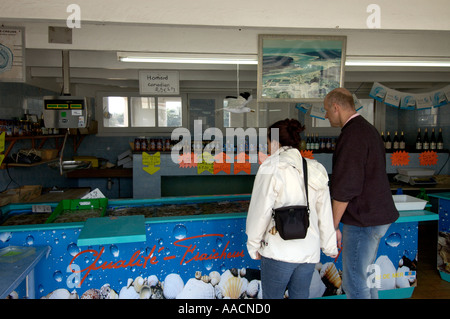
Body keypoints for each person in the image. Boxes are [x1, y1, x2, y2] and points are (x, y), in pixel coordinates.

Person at [246, 118, 338, 299]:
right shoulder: (316, 168)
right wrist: (329, 247)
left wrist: (253, 245)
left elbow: (260, 211)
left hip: (279, 250)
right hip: (308, 252)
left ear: (274, 142)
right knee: (300, 295)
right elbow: (324, 214)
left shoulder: (271, 167)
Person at [324, 88, 399, 299]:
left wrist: (333, 224)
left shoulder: (353, 135)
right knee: (366, 277)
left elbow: (346, 187)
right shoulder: (367, 129)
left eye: (326, 110)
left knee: (355, 282)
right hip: (375, 216)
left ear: (336, 107)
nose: (326, 115)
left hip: (362, 221)